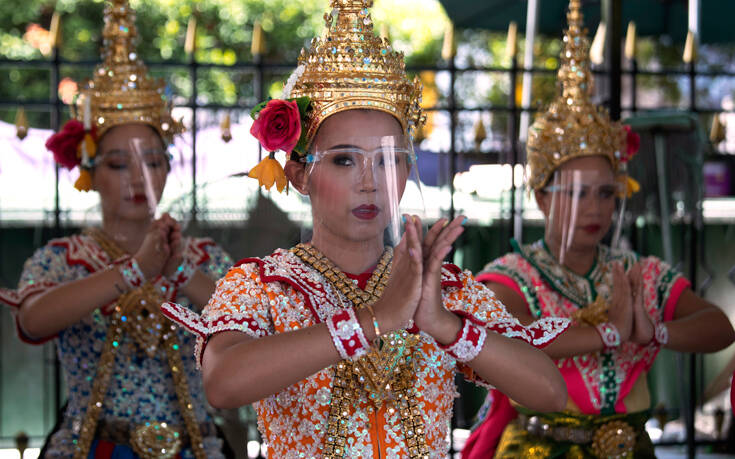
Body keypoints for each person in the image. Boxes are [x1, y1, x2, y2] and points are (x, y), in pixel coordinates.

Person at [162, 1, 571, 457]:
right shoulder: (264, 288)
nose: (370, 181)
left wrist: (444, 325)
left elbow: (549, 394)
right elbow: (223, 383)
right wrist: (370, 321)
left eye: (388, 160)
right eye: (344, 159)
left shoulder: (441, 288)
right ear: (299, 175)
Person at [461, 1, 735, 458]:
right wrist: (613, 331)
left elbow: (719, 327)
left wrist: (655, 333)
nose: (594, 207)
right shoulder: (510, 275)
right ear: (542, 197)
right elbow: (510, 340)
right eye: (577, 193)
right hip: (540, 449)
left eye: (606, 193)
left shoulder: (638, 272)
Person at [0, 1, 231, 457]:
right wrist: (133, 271)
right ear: (90, 172)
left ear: (167, 169)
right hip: (95, 445)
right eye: (118, 163)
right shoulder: (62, 258)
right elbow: (31, 322)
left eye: (151, 161)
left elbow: (249, 328)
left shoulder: (203, 256)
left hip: (194, 446)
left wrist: (180, 271)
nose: (136, 178)